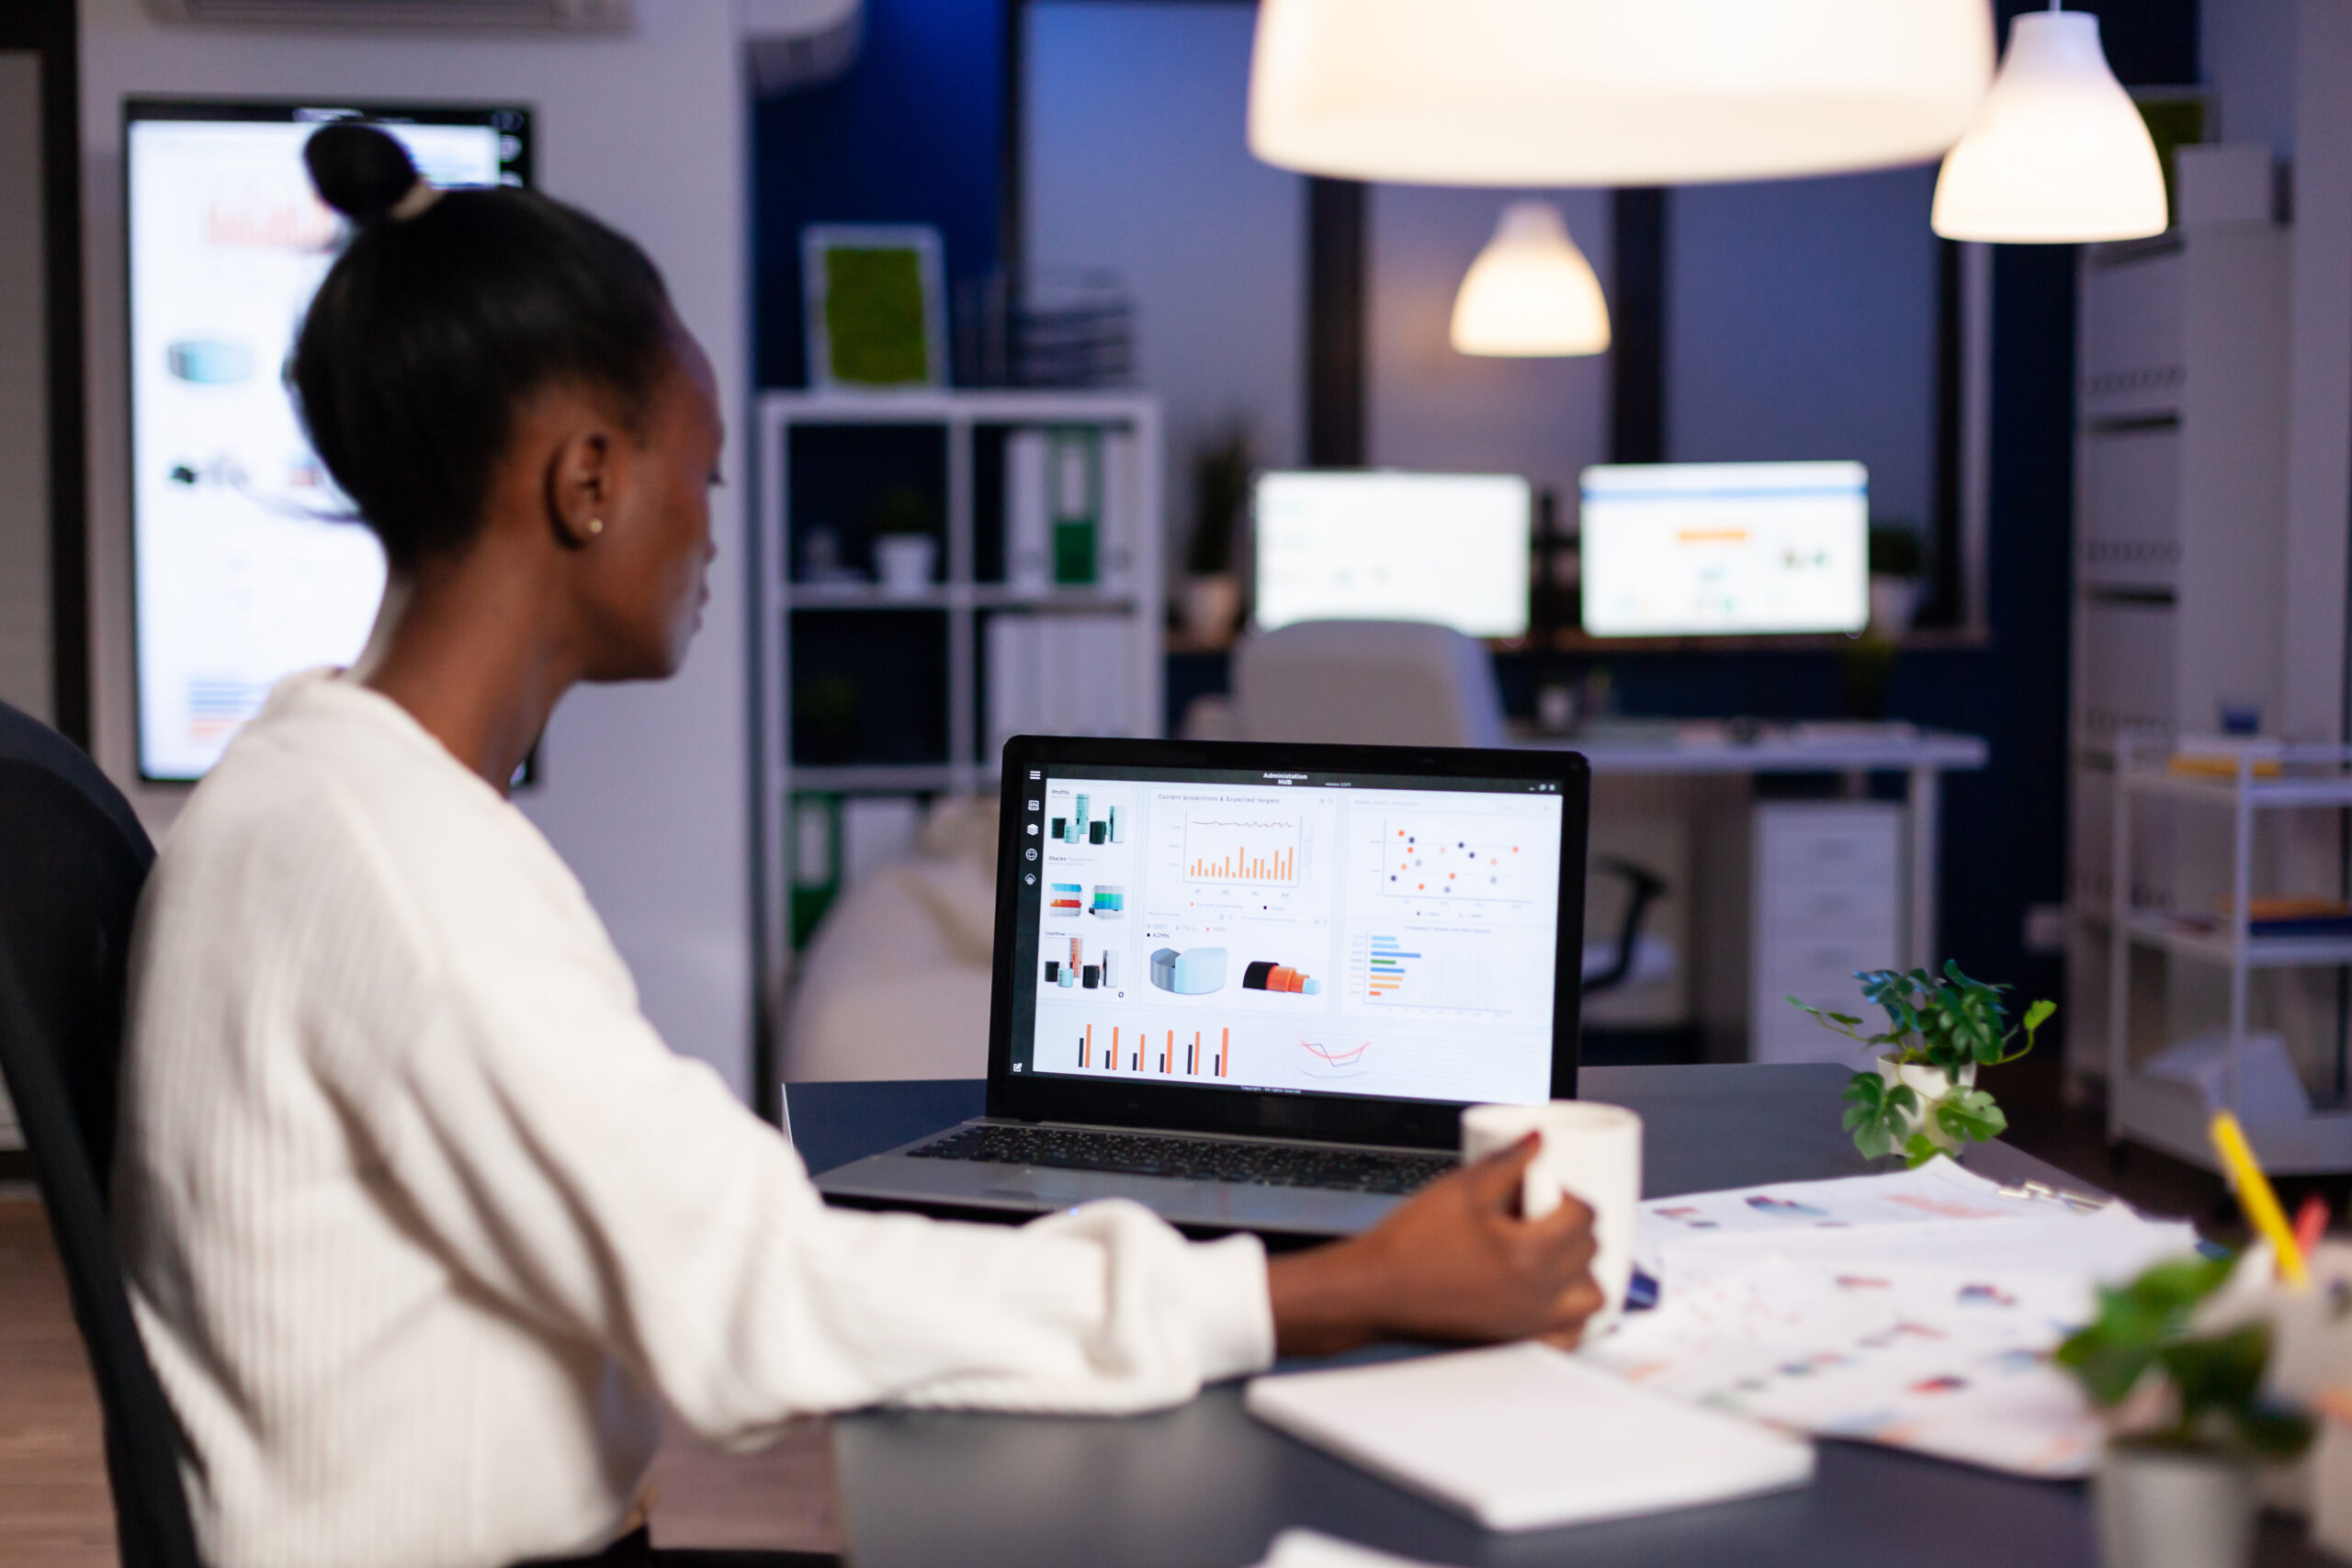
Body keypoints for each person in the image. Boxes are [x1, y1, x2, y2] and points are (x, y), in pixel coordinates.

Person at [113, 124, 1602, 1568]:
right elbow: (763, 1298)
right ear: (587, 481)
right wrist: (1342, 1291)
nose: (708, 534)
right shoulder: (403, 867)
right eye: (703, 477)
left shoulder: (306, 783)